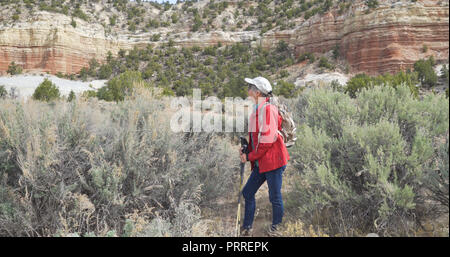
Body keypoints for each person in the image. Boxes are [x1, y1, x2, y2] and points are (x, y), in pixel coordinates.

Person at [239, 76, 290, 237]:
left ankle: (276, 229)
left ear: (258, 92)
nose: (247, 89)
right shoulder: (258, 109)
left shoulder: (268, 110)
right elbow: (257, 137)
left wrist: (250, 157)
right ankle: (247, 228)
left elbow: (267, 141)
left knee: (274, 197)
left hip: (273, 161)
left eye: (250, 86)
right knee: (247, 192)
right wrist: (247, 150)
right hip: (263, 161)